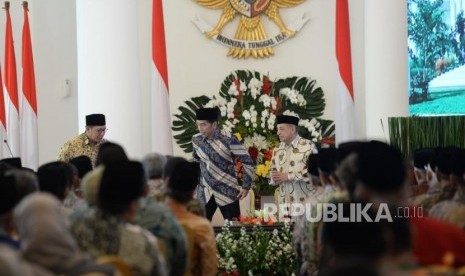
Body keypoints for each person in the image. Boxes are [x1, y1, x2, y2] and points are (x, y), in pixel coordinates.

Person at [192, 107, 254, 221]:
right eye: (198, 125)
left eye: (204, 125)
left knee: (234, 232)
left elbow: (248, 161)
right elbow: (196, 162)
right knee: (199, 230)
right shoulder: (196, 140)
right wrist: (194, 187)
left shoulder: (229, 139)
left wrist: (246, 186)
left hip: (227, 191)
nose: (200, 128)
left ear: (214, 124)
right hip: (205, 192)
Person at [164, 157, 217, 276]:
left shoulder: (149, 221)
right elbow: (209, 270)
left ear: (166, 182)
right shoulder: (202, 227)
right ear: (194, 190)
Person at [270, 114, 318, 206]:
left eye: (281, 129)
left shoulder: (308, 146)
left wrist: (289, 176)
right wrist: (274, 178)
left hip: (306, 203)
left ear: (292, 129)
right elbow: (272, 171)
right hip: (284, 205)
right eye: (278, 129)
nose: (278, 133)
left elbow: (315, 174)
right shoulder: (277, 149)